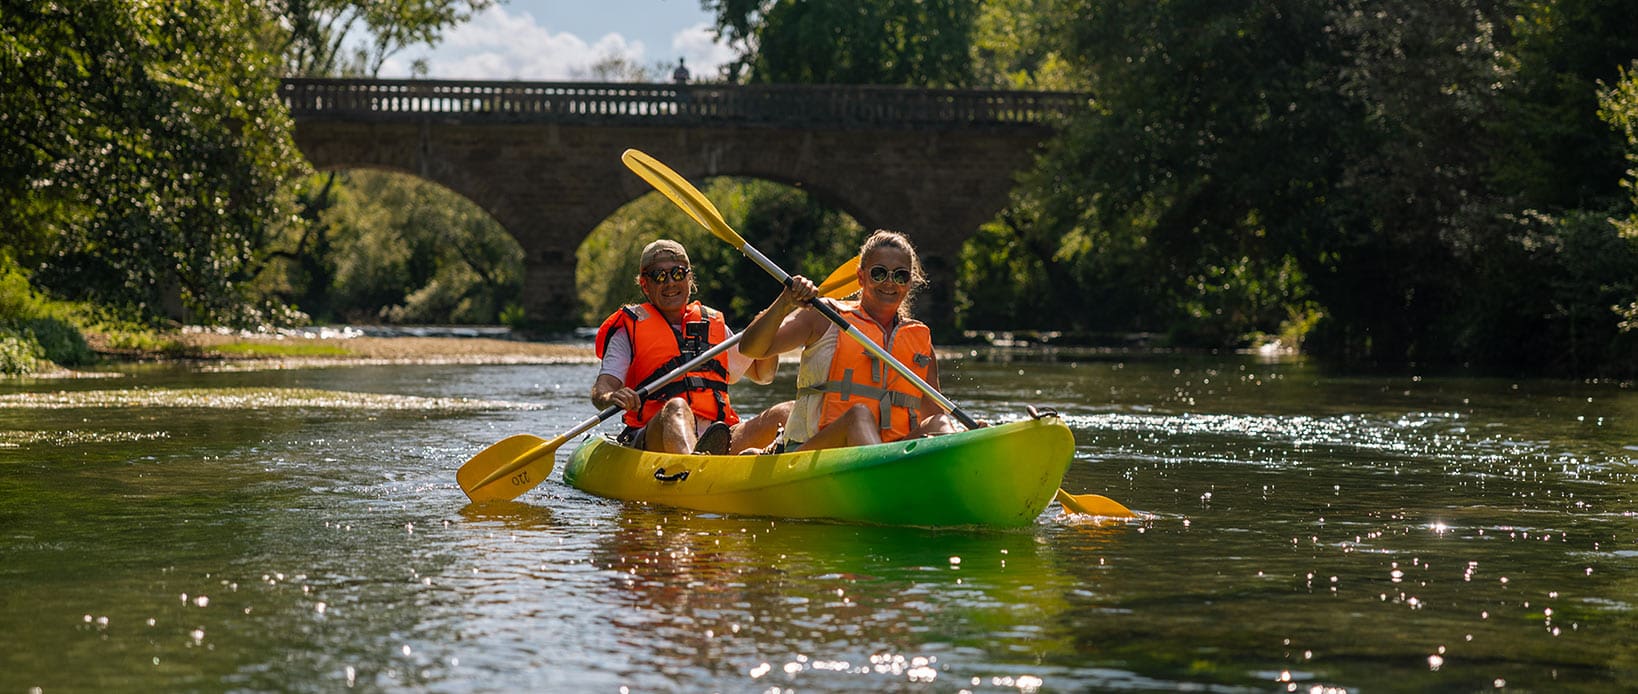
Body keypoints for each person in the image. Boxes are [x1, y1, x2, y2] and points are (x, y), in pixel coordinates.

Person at [738, 230, 962, 452]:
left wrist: (975, 438)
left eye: (900, 275)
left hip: (891, 456)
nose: (889, 282)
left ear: (910, 282)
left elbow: (933, 414)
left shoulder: (919, 340)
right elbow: (751, 348)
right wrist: (785, 302)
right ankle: (880, 472)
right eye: (879, 273)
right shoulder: (824, 315)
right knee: (859, 415)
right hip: (815, 453)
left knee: (940, 424)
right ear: (861, 277)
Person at [591, 239, 790, 455]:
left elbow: (763, 373)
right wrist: (611, 397)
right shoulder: (628, 331)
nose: (670, 283)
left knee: (786, 411)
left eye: (677, 273)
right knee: (676, 407)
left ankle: (773, 460)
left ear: (689, 278)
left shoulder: (714, 325)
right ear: (645, 285)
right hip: (653, 435)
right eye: (659, 275)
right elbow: (604, 387)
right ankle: (695, 466)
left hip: (720, 433)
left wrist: (771, 322)